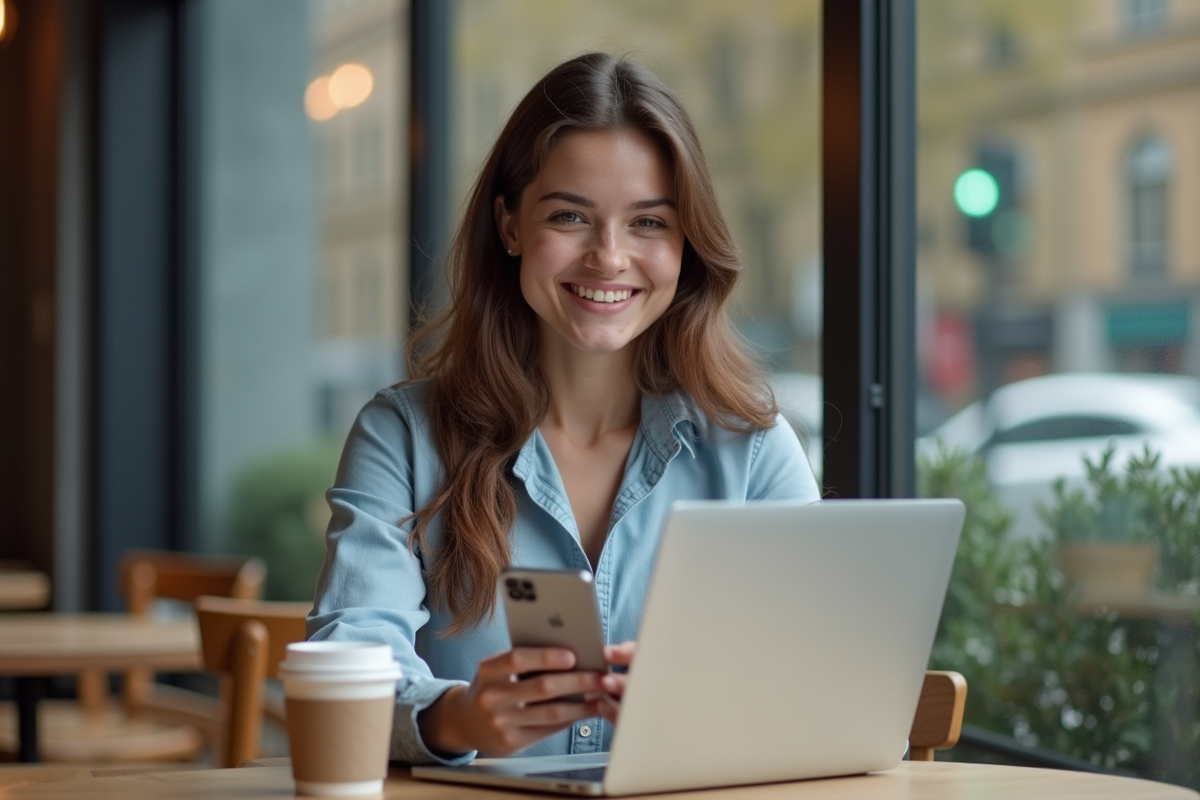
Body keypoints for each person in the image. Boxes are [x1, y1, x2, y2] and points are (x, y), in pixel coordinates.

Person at [307, 52, 820, 765]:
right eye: (570, 216)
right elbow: (348, 668)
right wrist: (458, 719)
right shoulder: (404, 436)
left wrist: (718, 704)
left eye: (648, 222)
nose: (608, 257)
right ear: (510, 225)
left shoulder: (754, 451)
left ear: (686, 243)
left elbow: (815, 683)